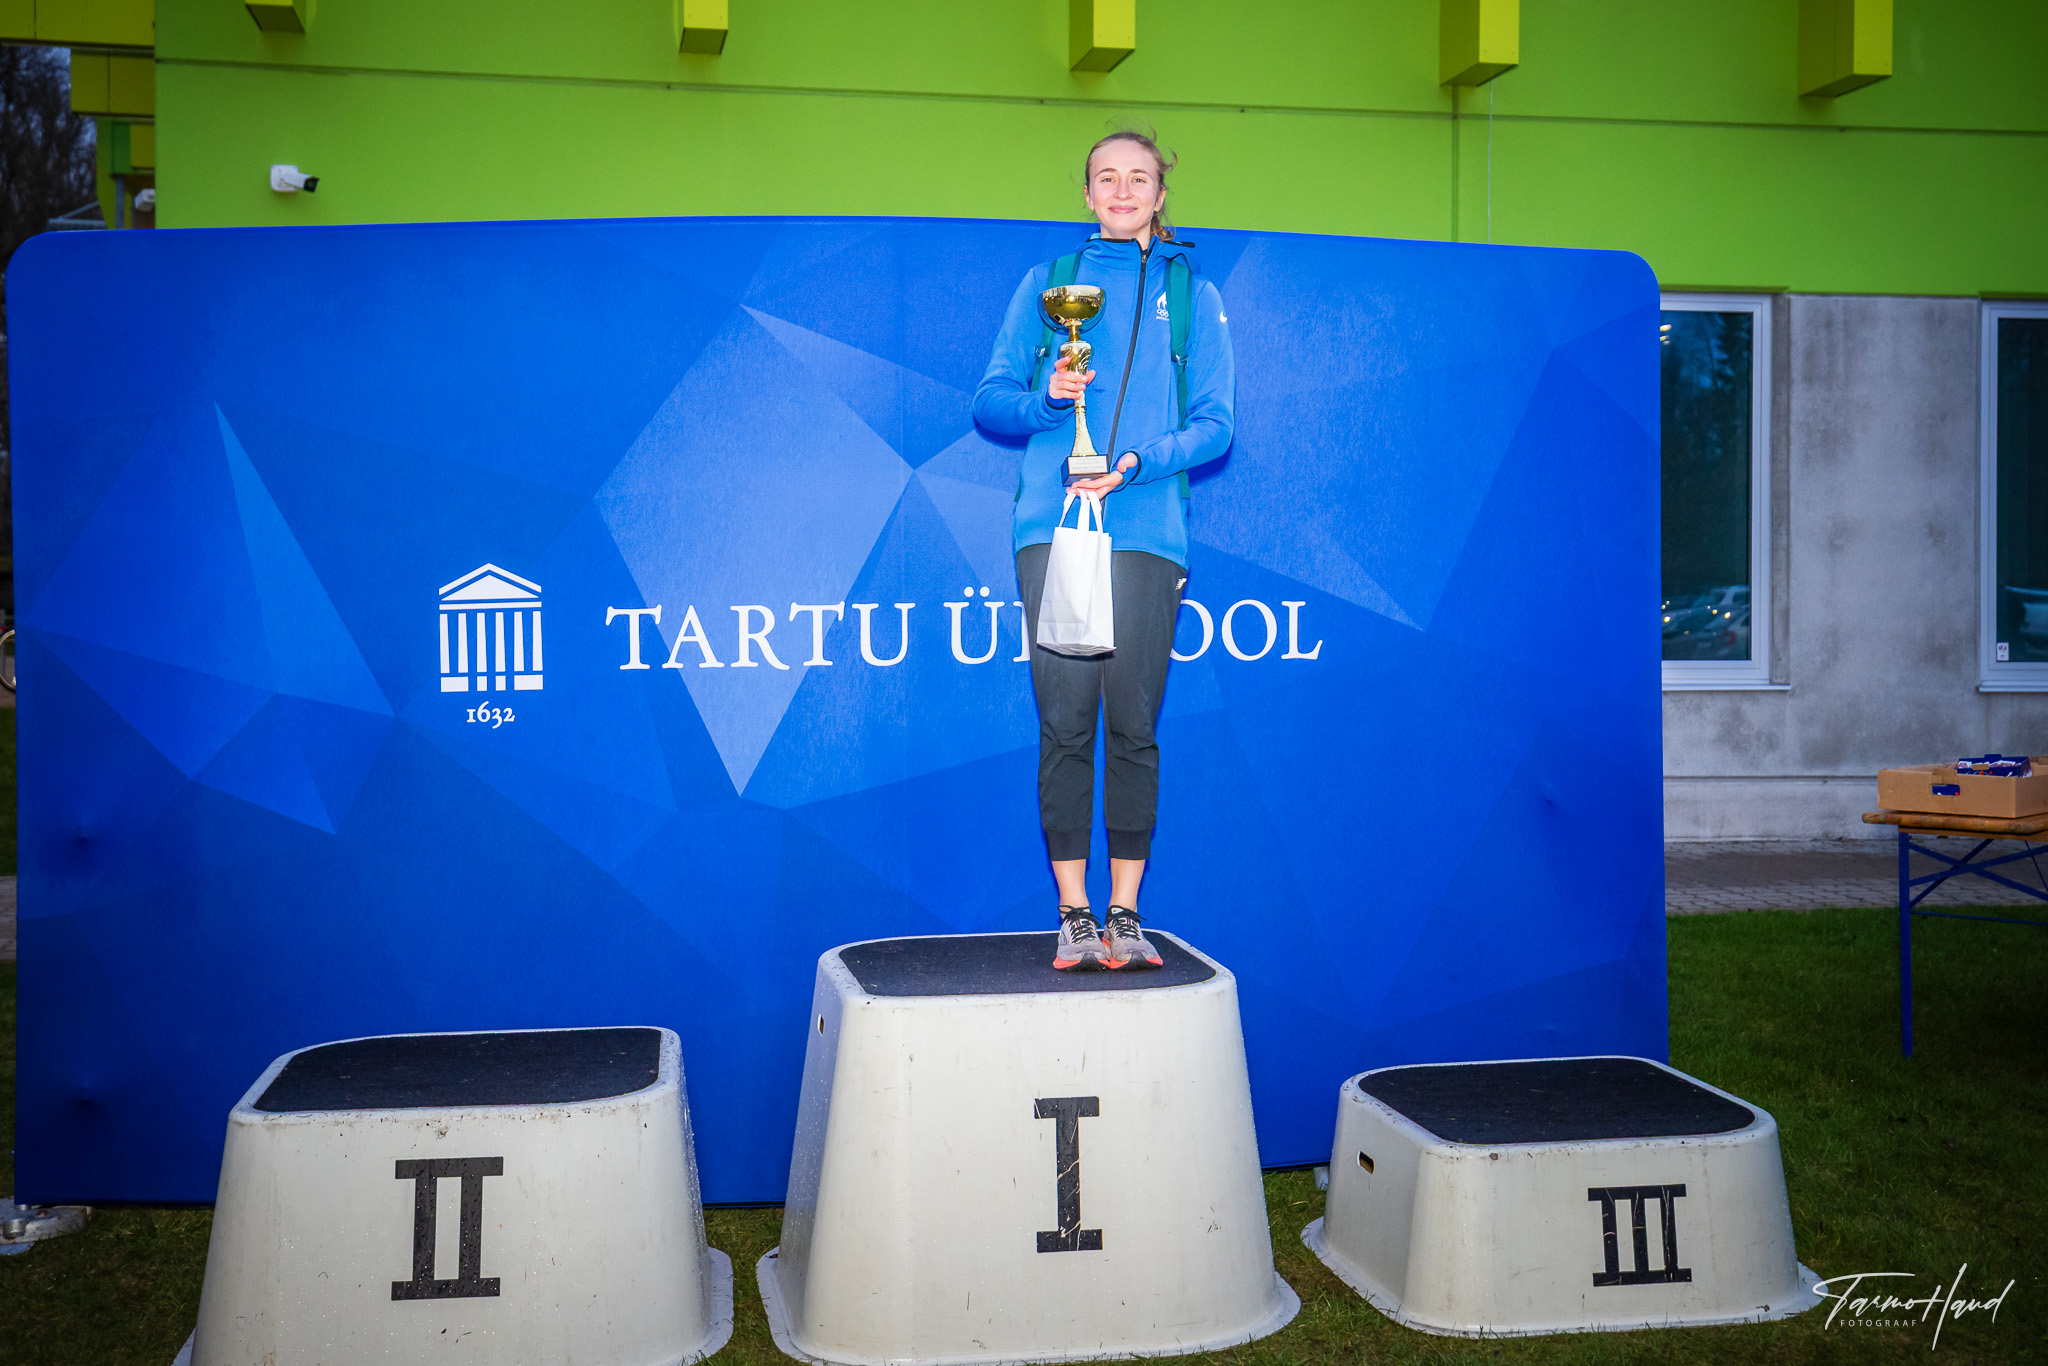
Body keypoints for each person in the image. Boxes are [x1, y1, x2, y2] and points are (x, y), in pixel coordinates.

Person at [971, 128, 1235, 971]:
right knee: (1065, 722)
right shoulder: (1049, 284)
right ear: (1087, 194)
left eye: (1139, 178)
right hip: (1054, 528)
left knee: (1133, 724)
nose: (1123, 191)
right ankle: (1074, 914)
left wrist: (1135, 465)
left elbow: (1217, 425)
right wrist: (1049, 399)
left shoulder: (1194, 294)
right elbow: (990, 401)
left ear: (1160, 194)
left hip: (1147, 529)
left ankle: (1125, 912)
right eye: (1106, 178)